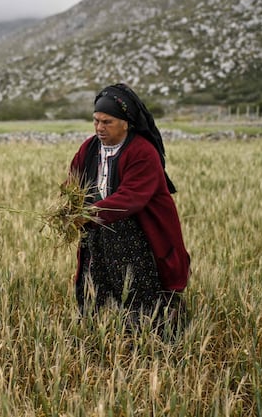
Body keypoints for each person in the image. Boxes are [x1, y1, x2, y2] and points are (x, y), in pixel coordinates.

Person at [69, 83, 190, 331]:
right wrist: (69, 204)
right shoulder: (90, 148)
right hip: (97, 228)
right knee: (95, 275)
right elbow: (74, 180)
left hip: (137, 232)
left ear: (126, 122)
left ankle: (148, 329)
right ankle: (100, 327)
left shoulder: (142, 152)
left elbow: (131, 197)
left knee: (135, 284)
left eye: (107, 122)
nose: (99, 128)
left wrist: (89, 213)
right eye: (96, 121)